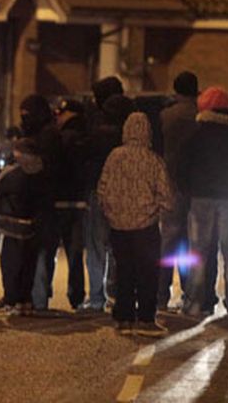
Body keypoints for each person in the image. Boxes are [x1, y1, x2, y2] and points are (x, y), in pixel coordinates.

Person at [178, 86, 228, 318]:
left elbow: (183, 164)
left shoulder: (198, 132)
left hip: (201, 197)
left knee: (199, 252)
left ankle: (193, 302)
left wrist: (188, 190)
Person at [98, 112, 174, 336]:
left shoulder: (114, 156)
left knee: (124, 271)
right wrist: (157, 208)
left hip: (119, 225)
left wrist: (111, 212)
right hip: (145, 226)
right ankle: (146, 319)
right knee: (147, 273)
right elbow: (166, 195)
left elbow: (102, 188)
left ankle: (124, 317)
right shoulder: (152, 160)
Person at [82, 89, 134, 311]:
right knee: (120, 246)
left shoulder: (96, 134)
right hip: (126, 196)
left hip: (99, 193)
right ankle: (118, 294)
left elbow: (86, 164)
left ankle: (96, 297)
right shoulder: (131, 139)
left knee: (96, 246)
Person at [19, 94, 65, 311]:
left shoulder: (49, 135)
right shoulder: (38, 133)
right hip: (31, 202)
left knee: (41, 252)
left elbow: (48, 169)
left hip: (44, 203)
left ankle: (38, 299)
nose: (24, 119)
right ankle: (28, 297)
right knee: (30, 252)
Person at [158, 70, 198, 312]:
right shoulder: (199, 116)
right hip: (195, 187)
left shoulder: (166, 116)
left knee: (169, 241)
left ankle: (161, 294)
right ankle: (190, 294)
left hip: (170, 183)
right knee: (191, 243)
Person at [0, 138, 47, 315]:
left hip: (12, 225)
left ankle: (11, 300)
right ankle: (25, 301)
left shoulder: (14, 172)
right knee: (28, 264)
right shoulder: (40, 171)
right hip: (32, 224)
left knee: (10, 264)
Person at [46, 98, 89, 311]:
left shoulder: (57, 138)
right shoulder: (88, 136)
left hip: (59, 201)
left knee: (49, 249)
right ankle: (77, 296)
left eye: (61, 113)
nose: (58, 117)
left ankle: (42, 294)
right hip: (80, 201)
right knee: (75, 253)